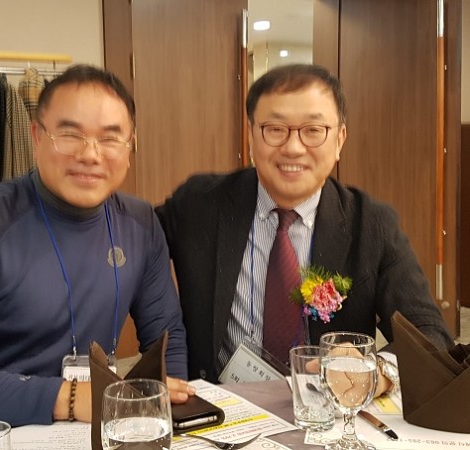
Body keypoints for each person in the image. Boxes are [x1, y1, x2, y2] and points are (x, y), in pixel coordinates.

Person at [0, 64, 190, 450]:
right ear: (36, 136)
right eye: (70, 134)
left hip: (84, 435)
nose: (90, 154)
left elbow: (167, 341)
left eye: (110, 138)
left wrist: (162, 417)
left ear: (130, 146)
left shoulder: (140, 223)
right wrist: (72, 398)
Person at [155, 63, 454, 390]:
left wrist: (376, 371)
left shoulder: (371, 224)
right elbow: (132, 239)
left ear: (339, 140)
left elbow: (431, 335)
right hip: (223, 405)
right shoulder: (199, 205)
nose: (293, 147)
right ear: (251, 134)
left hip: (329, 407)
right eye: (275, 128)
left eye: (313, 130)